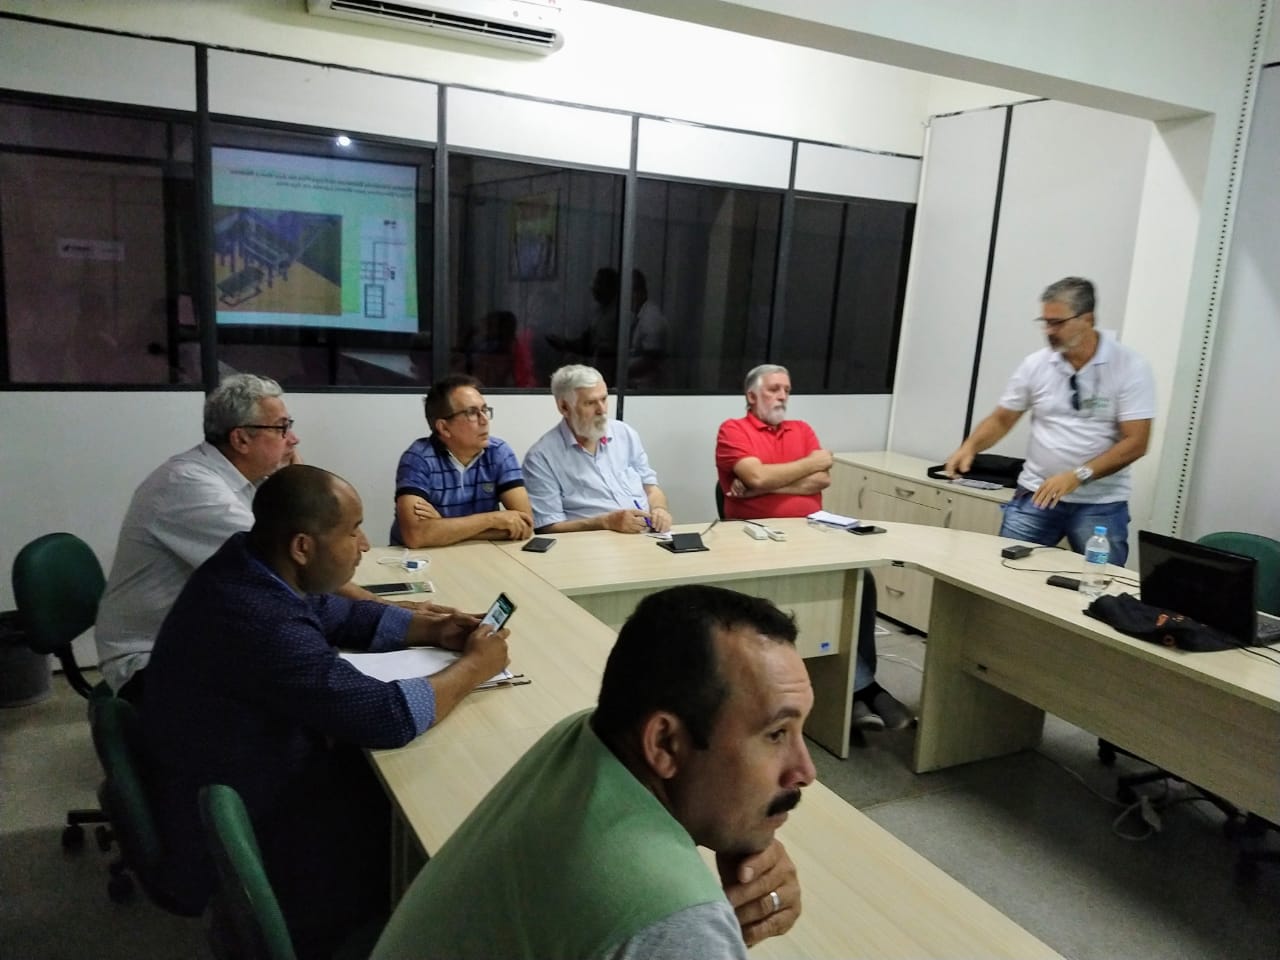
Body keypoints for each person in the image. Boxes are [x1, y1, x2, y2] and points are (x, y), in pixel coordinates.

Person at [143, 464, 510, 958]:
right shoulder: (260, 619)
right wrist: (473, 668)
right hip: (260, 816)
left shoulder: (252, 564)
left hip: (248, 771)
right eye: (353, 530)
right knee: (440, 834)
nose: (363, 544)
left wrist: (431, 629)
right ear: (302, 547)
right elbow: (383, 717)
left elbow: (340, 613)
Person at [373, 584, 809, 960]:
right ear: (663, 743)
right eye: (776, 734)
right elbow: (659, 922)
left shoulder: (587, 736)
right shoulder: (670, 916)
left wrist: (735, 836)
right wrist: (693, 926)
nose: (805, 771)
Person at [716, 364, 911, 732]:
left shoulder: (801, 430)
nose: (783, 396)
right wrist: (800, 467)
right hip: (755, 534)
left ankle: (857, 685)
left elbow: (820, 480)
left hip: (812, 530)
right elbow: (763, 474)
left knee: (860, 580)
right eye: (774, 389)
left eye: (787, 389)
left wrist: (763, 485)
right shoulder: (733, 430)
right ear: (751, 395)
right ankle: (858, 691)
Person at [94, 373, 301, 702]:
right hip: (151, 662)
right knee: (305, 677)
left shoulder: (245, 480)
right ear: (241, 440)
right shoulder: (190, 486)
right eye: (282, 428)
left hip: (202, 640)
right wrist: (369, 601)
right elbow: (288, 565)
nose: (293, 439)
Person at [943, 277, 1155, 565]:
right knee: (1004, 573)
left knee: (1100, 589)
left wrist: (1076, 476)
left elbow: (1136, 443)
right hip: (1036, 495)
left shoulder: (1130, 367)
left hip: (1099, 506)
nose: (1049, 331)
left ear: (1087, 319)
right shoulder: (1037, 364)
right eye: (1045, 322)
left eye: (1058, 323)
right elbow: (1003, 419)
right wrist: (969, 447)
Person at [523, 364, 674, 534]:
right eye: (590, 403)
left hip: (648, 537)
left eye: (604, 399)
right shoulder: (541, 457)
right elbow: (547, 526)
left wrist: (660, 510)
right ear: (564, 407)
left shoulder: (625, 434)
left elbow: (651, 489)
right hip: (591, 547)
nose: (601, 410)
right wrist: (604, 523)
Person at [390, 374, 534, 547]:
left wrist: (443, 527)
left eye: (485, 410)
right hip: (419, 562)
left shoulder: (499, 452)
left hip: (480, 555)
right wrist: (494, 519)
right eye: (472, 413)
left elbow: (525, 524)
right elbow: (416, 536)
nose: (484, 420)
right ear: (444, 427)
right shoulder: (418, 459)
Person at [628, 269, 669, 389]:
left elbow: (651, 359)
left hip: (648, 389)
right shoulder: (639, 315)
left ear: (638, 292)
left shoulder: (651, 318)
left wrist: (622, 370)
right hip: (637, 385)